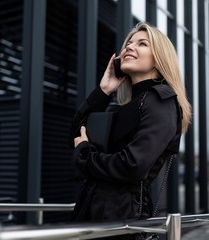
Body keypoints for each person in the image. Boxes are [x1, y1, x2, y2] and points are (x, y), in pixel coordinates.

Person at [69, 22, 192, 227]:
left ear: (158, 58)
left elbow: (132, 166)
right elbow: (75, 137)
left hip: (122, 219)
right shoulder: (124, 106)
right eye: (128, 44)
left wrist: (85, 155)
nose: (129, 47)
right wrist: (103, 91)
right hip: (95, 214)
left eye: (142, 44)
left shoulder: (161, 101)